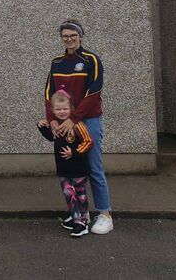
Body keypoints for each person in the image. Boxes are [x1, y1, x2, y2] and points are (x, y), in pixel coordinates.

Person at [45, 19, 113, 234]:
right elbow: (49, 94)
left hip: (88, 119)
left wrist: (73, 119)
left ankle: (105, 214)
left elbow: (94, 93)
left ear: (80, 36)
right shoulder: (56, 62)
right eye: (65, 35)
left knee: (93, 166)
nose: (69, 39)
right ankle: (79, 214)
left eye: (73, 35)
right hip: (63, 122)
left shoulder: (91, 59)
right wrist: (52, 119)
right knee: (70, 167)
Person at [38, 90, 94, 237]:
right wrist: (42, 126)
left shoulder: (77, 125)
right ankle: (77, 218)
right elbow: (51, 137)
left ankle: (82, 223)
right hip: (63, 169)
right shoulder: (56, 125)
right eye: (58, 109)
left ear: (71, 109)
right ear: (53, 110)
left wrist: (73, 152)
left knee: (80, 194)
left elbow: (88, 142)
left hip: (78, 169)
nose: (62, 112)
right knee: (69, 194)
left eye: (65, 109)